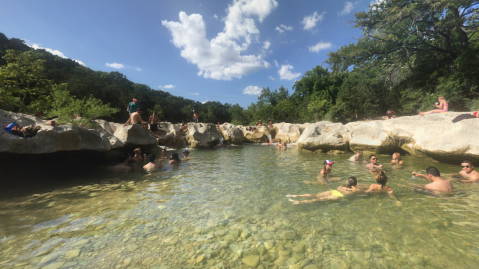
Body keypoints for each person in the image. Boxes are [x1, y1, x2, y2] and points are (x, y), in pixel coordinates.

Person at [287, 177, 363, 204]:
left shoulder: (342, 186)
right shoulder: (354, 189)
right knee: (318, 200)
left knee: (316, 196)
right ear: (356, 183)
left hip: (334, 191)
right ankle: (299, 202)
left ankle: (297, 195)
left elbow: (338, 188)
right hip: (339, 195)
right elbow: (360, 191)